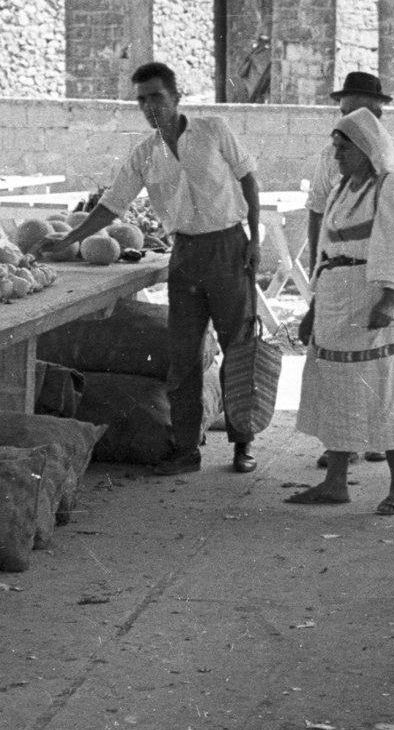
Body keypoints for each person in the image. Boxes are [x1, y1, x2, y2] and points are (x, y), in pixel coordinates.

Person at [43, 61, 260, 476]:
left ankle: (242, 444)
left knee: (239, 351)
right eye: (141, 100)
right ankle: (185, 451)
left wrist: (254, 240)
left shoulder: (213, 130)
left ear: (176, 97)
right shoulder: (145, 155)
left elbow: (249, 178)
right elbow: (111, 205)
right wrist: (68, 240)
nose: (149, 107)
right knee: (182, 360)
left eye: (156, 97)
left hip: (229, 247)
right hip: (186, 255)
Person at [287, 108, 394, 516]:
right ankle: (335, 482)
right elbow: (325, 251)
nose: (336, 155)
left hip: (377, 300)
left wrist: (389, 301)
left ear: (366, 147)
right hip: (338, 301)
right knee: (339, 388)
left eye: (343, 148)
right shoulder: (342, 189)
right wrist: (313, 308)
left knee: (389, 390)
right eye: (335, 147)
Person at [308, 72, 394, 467]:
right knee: (341, 383)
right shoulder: (336, 170)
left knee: (387, 381)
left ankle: (390, 465)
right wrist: (314, 289)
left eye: (356, 115)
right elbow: (320, 219)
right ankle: (340, 463)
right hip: (339, 290)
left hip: (379, 285)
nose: (344, 125)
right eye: (343, 113)